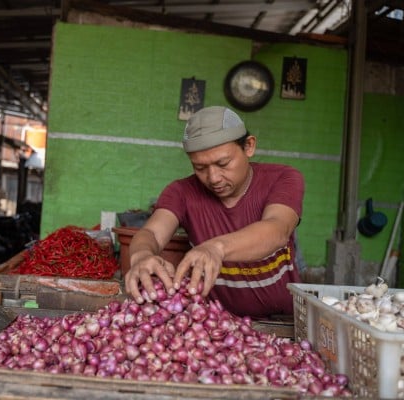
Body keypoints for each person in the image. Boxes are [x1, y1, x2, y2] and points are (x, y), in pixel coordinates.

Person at [125, 106, 304, 318]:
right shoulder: (181, 192)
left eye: (223, 163)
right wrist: (141, 255)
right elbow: (152, 233)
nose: (213, 178)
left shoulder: (283, 178)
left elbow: (277, 228)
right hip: (217, 326)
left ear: (249, 146)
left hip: (284, 320)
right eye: (200, 168)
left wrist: (216, 248)